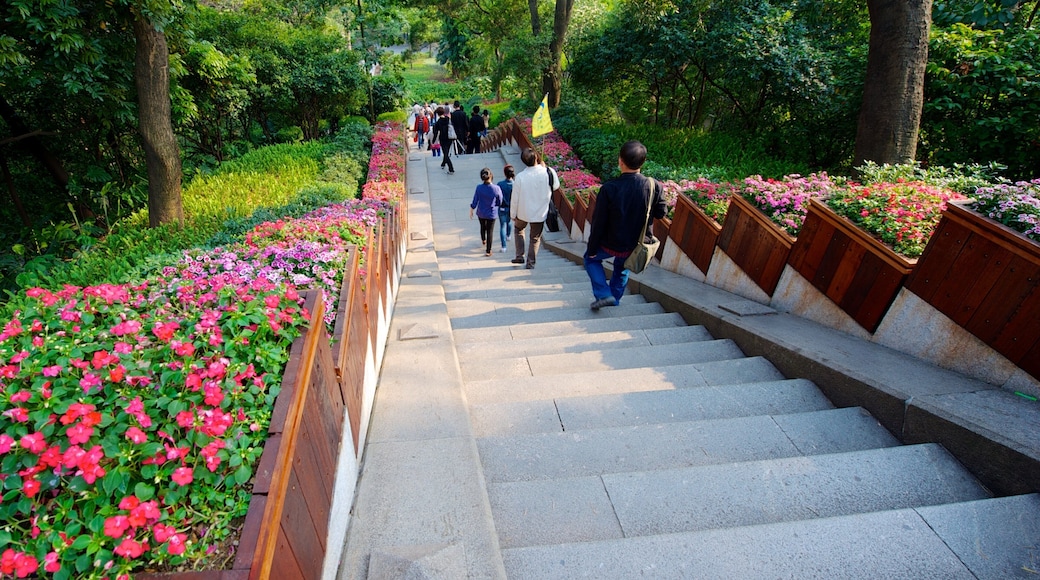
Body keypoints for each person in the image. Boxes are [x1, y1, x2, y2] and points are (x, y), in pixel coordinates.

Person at [584, 140, 667, 310]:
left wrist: (592, 249)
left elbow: (599, 222)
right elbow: (661, 213)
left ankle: (603, 294)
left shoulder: (609, 188)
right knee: (621, 269)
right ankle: (614, 297)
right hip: (635, 244)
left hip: (610, 243)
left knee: (590, 260)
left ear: (620, 161)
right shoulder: (654, 186)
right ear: (643, 162)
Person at [510, 148, 555, 269]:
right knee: (535, 238)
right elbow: (555, 186)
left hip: (522, 211)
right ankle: (530, 262)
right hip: (540, 211)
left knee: (518, 229)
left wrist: (513, 214)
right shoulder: (548, 172)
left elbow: (515, 198)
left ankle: (519, 255)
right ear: (536, 158)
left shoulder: (520, 177)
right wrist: (545, 168)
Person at [470, 168, 504, 256]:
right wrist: (495, 205)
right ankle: (488, 250)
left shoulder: (479, 187)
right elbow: (500, 201)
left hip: (481, 211)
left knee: (482, 226)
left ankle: (483, 239)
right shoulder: (496, 188)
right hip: (491, 213)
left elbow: (475, 200)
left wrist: (472, 209)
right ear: (491, 176)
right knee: (490, 231)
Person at [496, 165, 515, 252]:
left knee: (502, 226)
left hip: (502, 207)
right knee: (509, 222)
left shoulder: (500, 184)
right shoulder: (515, 184)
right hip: (511, 207)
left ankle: (503, 246)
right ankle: (508, 235)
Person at [431, 106, 454, 173]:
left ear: (438, 114)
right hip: (450, 138)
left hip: (443, 139)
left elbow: (435, 133)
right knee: (446, 152)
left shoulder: (438, 122)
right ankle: (443, 164)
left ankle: (451, 168)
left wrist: (433, 141)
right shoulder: (448, 119)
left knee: (445, 153)